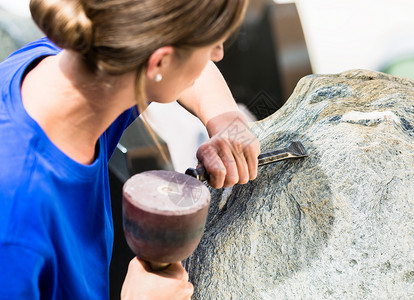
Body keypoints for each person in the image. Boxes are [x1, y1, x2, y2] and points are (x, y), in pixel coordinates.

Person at [0, 0, 260, 299]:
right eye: (212, 44)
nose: (218, 54)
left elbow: (193, 73)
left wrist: (226, 118)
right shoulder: (15, 224)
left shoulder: (83, 59)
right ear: (159, 64)